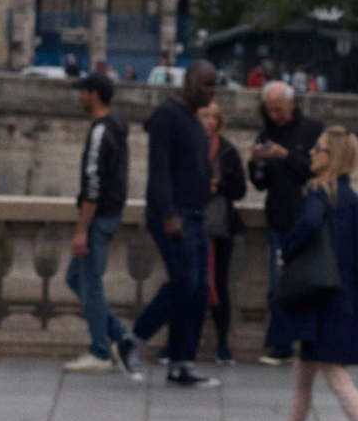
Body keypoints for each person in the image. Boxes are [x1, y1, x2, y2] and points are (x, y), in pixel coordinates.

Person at [251, 126, 358, 421]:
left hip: (321, 303)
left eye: (318, 149)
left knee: (336, 377)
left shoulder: (318, 193)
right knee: (304, 375)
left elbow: (309, 224)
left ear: (334, 157)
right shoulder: (357, 204)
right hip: (346, 303)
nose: (311, 153)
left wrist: (287, 250)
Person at [129, 61, 215, 383]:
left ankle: (182, 362)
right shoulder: (168, 116)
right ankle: (132, 342)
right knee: (183, 283)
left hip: (195, 215)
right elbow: (160, 170)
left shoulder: (194, 122)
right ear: (190, 83)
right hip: (174, 215)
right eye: (207, 85)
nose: (212, 91)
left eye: (215, 86)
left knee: (198, 290)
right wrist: (168, 213)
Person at [63, 69, 136, 375]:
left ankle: (100, 351)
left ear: (94, 95)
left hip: (98, 218)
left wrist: (81, 229)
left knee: (90, 285)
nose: (79, 95)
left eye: (83, 90)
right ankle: (121, 337)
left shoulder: (100, 132)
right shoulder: (117, 128)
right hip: (110, 215)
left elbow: (92, 184)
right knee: (75, 279)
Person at [248, 80, 318, 364]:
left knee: (312, 285)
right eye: (269, 110)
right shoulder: (266, 133)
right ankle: (283, 346)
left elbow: (314, 170)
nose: (274, 115)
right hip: (278, 219)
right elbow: (259, 184)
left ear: (292, 104)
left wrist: (286, 155)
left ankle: (310, 344)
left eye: (278, 109)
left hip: (308, 220)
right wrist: (255, 163)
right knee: (278, 286)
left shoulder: (312, 129)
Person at [197, 95, 246, 368]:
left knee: (219, 285)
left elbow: (240, 190)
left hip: (220, 226)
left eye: (214, 116)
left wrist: (220, 186)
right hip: (193, 225)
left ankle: (222, 345)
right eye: (205, 115)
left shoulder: (227, 151)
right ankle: (181, 343)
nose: (210, 121)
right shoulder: (189, 147)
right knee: (190, 285)